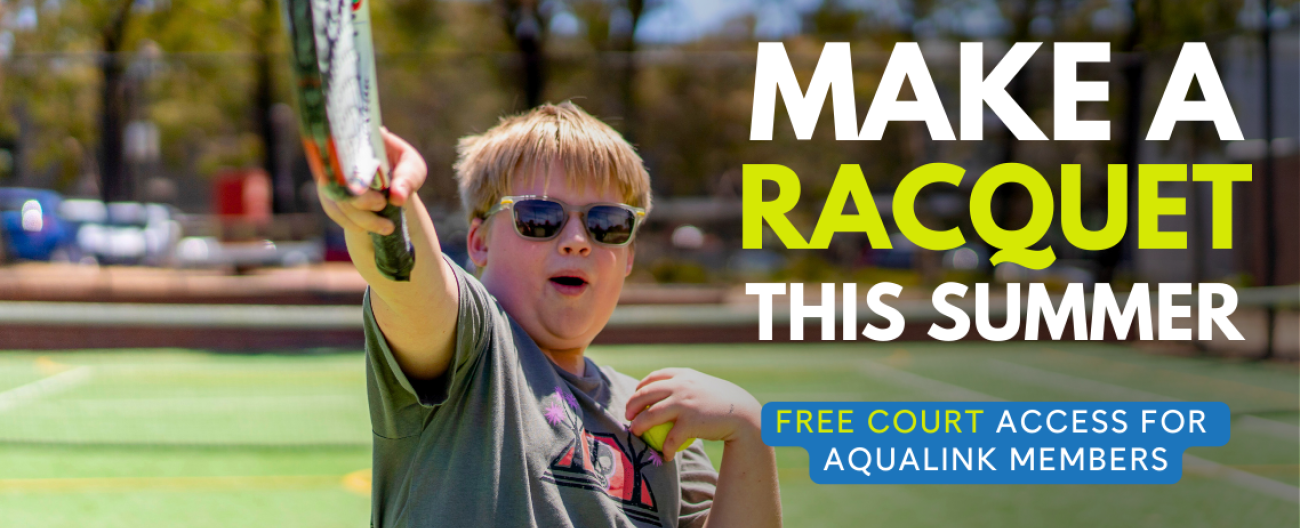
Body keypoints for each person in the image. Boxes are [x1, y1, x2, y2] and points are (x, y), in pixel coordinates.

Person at [319, 102, 781, 527]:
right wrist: (384, 205)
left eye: (607, 224)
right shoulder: (474, 351)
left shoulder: (664, 415)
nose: (577, 239)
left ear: (629, 256)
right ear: (479, 241)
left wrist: (750, 432)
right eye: (540, 217)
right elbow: (410, 275)